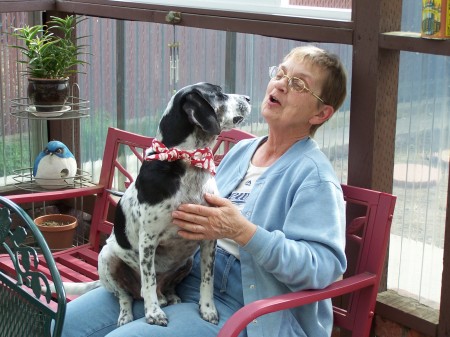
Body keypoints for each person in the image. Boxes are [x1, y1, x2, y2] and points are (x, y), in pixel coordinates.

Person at [62, 45, 348, 337]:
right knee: (65, 323)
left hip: (243, 305)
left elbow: (324, 269)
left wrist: (245, 232)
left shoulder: (314, 177)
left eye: (298, 83)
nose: (281, 85)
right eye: (281, 73)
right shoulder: (244, 150)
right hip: (183, 278)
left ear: (321, 113)